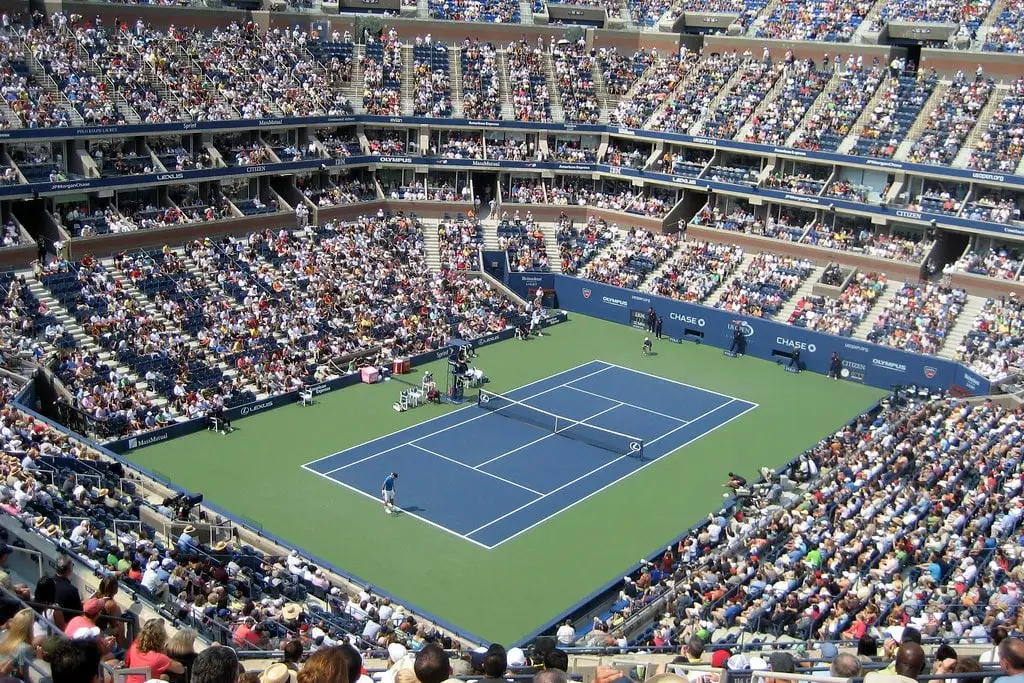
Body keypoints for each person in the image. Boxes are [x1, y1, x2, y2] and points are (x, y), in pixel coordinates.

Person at [124, 618, 185, 683]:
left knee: (164, 677)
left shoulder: (135, 647)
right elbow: (181, 669)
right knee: (168, 677)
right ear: (161, 638)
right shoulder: (159, 658)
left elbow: (127, 662)